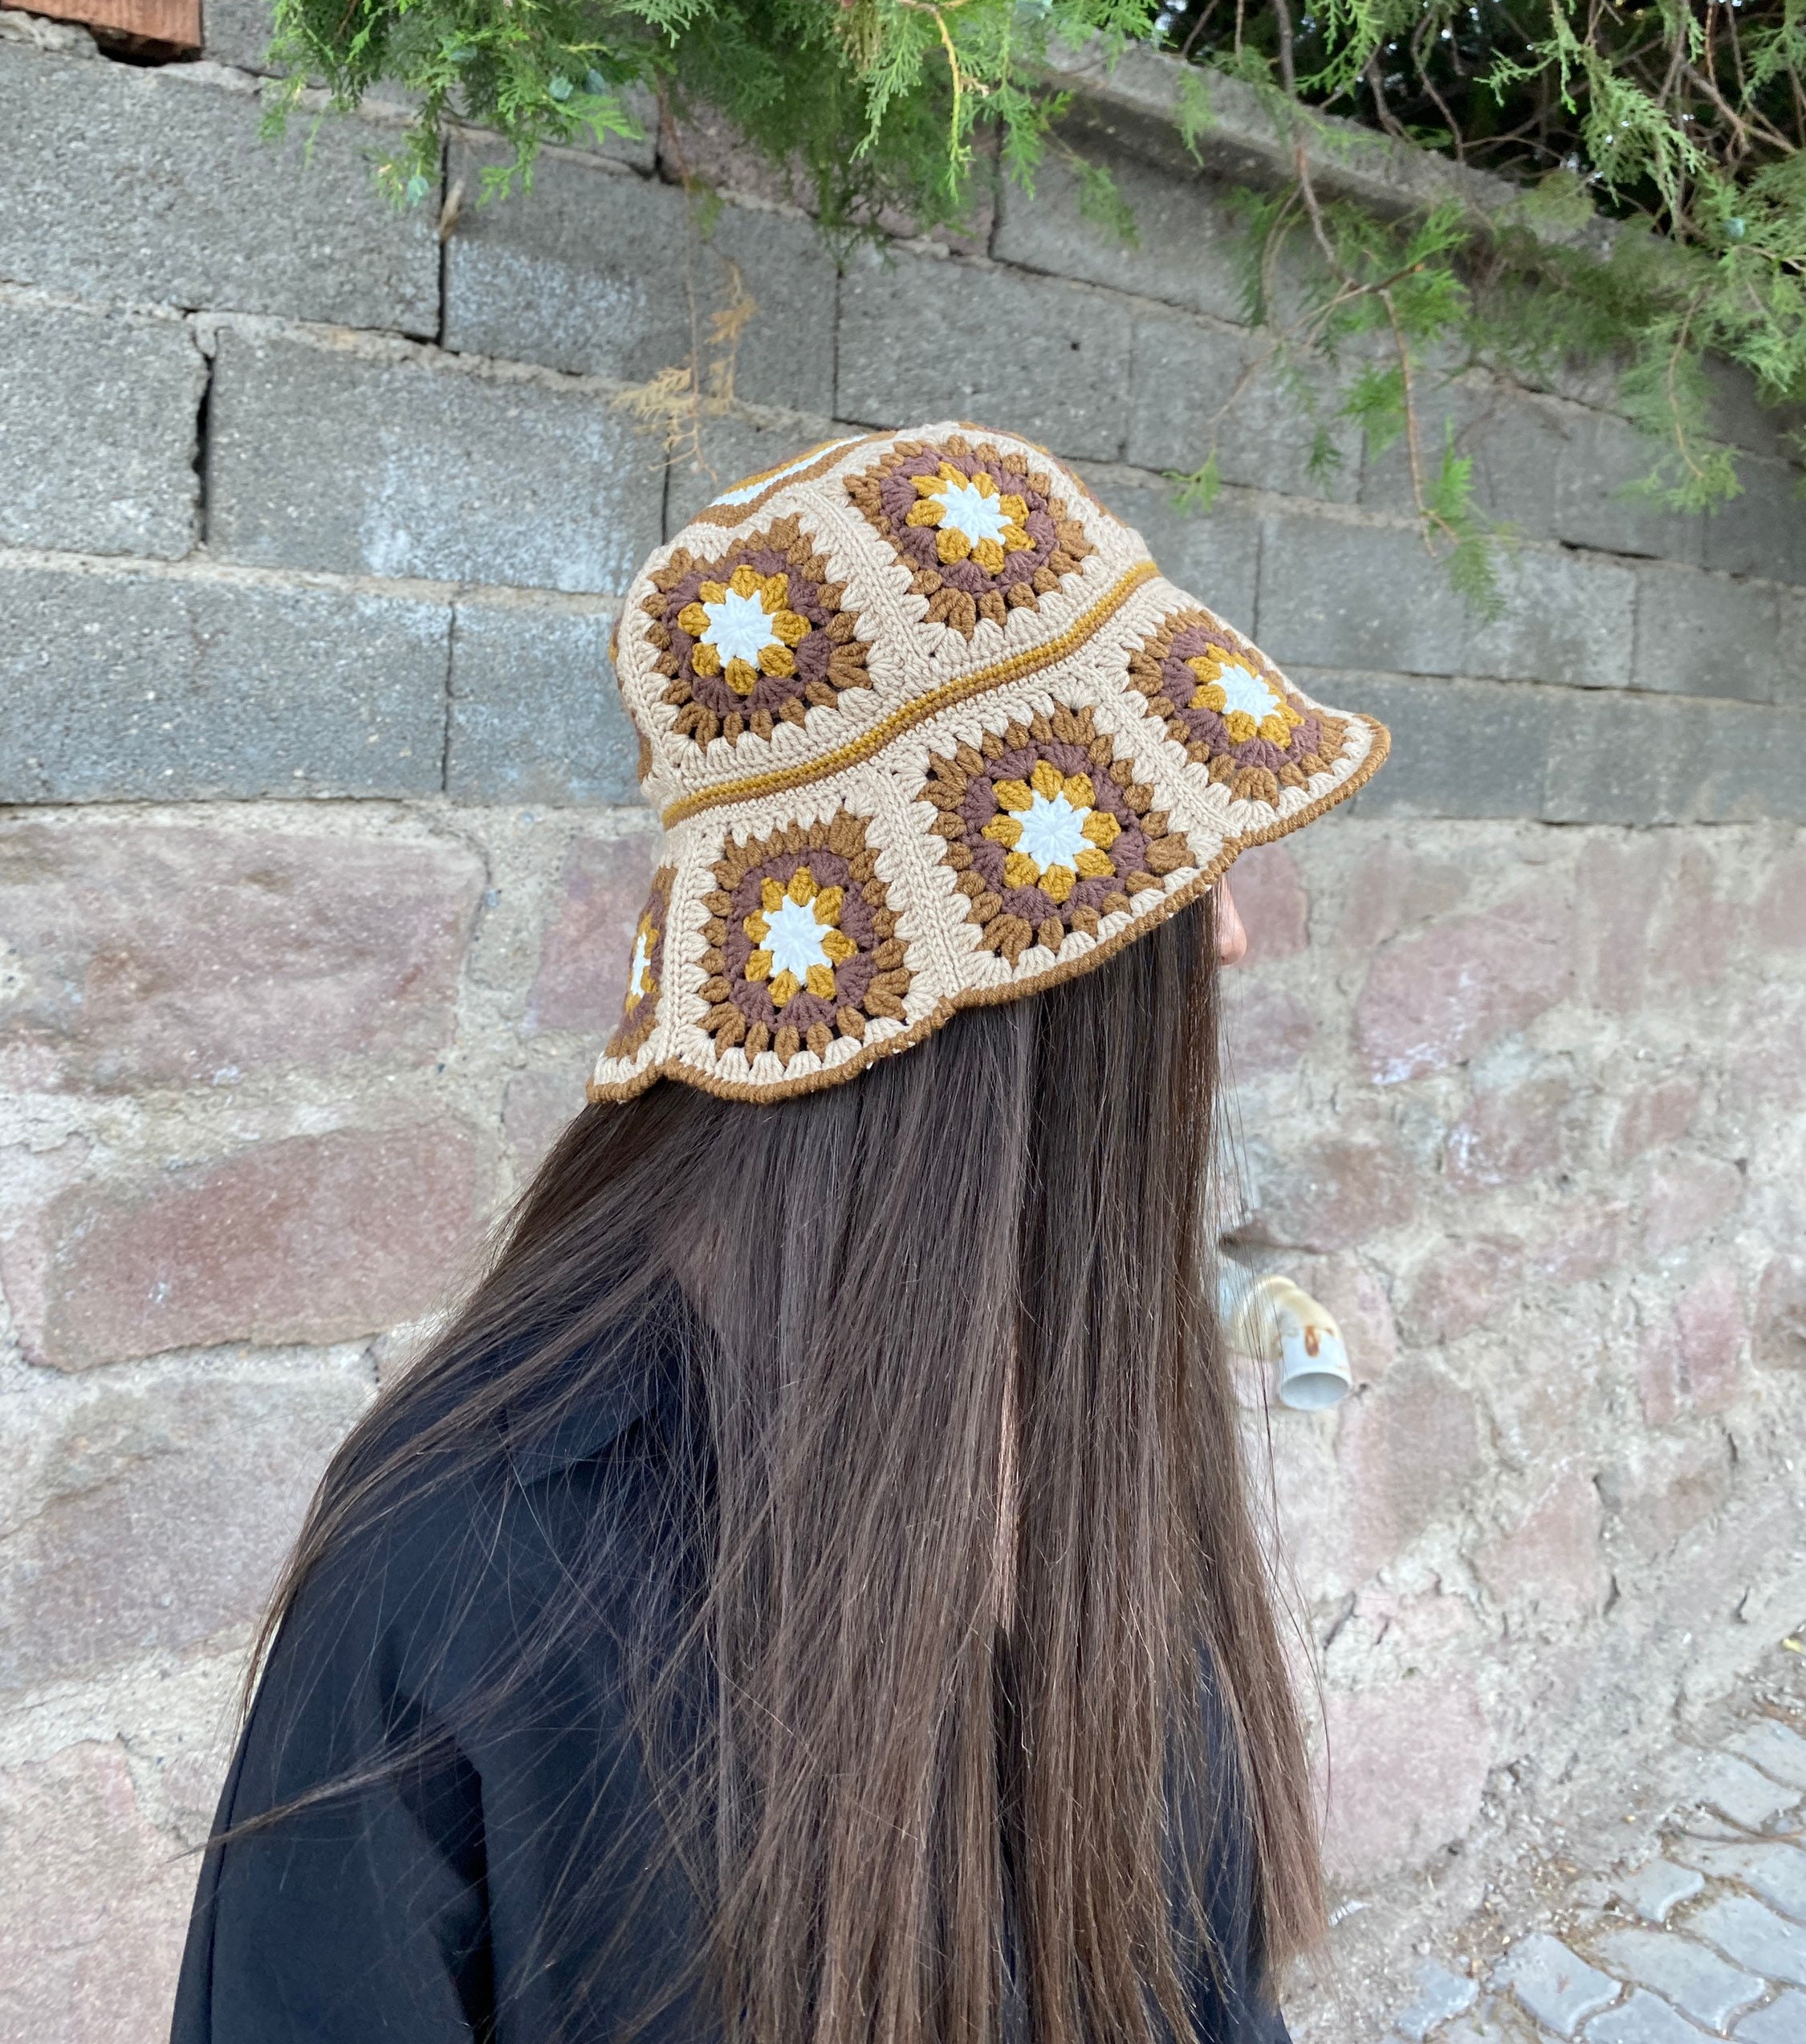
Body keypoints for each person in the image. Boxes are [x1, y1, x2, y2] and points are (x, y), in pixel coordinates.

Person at [172, 423, 1388, 2044]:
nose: (1230, 934)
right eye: (1180, 863)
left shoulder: (1087, 1398)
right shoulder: (466, 1562)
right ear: (1007, 971)